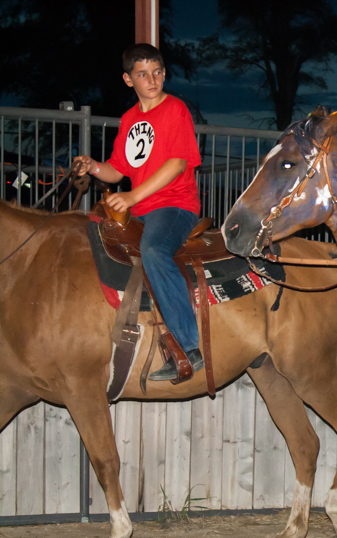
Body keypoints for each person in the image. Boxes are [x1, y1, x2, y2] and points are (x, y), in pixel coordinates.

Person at [75, 43, 204, 381]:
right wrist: (92, 166)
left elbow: (177, 164)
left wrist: (131, 197)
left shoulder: (175, 109)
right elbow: (117, 170)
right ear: (128, 79)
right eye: (143, 74)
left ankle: (189, 345)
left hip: (175, 204)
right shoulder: (130, 119)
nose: (152, 79)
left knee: (154, 249)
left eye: (158, 72)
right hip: (142, 208)